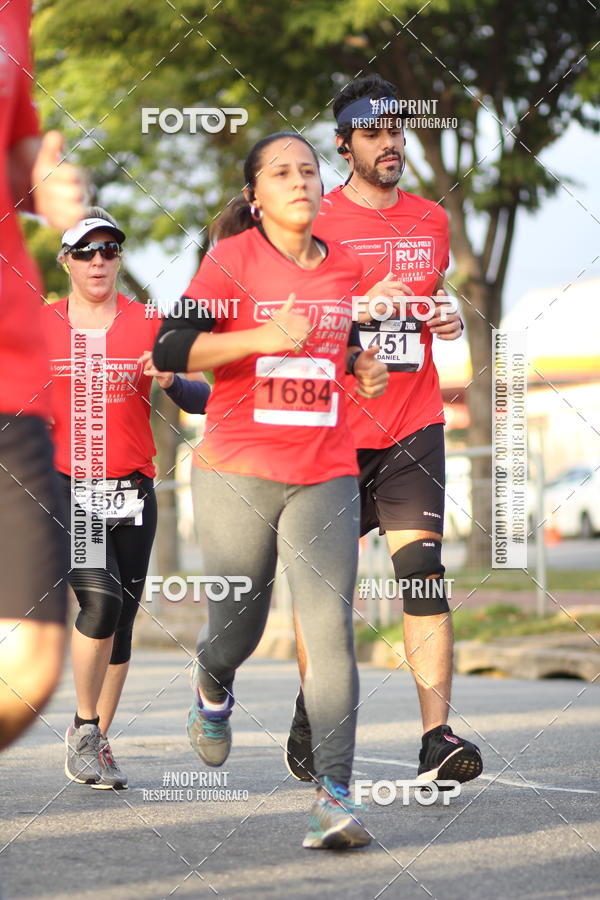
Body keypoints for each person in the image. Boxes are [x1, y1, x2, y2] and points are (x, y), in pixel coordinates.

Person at [153, 132, 389, 849]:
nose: (300, 181)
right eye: (282, 172)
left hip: (326, 470)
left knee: (329, 630)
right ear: (255, 195)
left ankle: (333, 795)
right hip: (237, 470)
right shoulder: (231, 260)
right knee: (239, 629)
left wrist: (362, 366)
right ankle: (212, 685)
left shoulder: (346, 266)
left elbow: (332, 345)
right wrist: (262, 336)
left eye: (310, 171)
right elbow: (170, 349)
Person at [285, 75, 483, 787]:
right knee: (326, 596)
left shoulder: (432, 219)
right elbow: (294, 324)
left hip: (412, 425)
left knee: (422, 579)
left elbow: (432, 297)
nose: (390, 141)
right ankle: (315, 706)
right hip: (332, 433)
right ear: (344, 145)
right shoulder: (316, 222)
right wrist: (360, 309)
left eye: (396, 129)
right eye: (373, 132)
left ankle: (438, 739)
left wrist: (447, 317)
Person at [42, 207, 210, 788]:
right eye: (86, 251)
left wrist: (171, 380)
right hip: (69, 486)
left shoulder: (149, 322)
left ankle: (94, 742)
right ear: (66, 261)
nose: (98, 261)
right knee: (102, 600)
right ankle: (85, 728)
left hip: (134, 489)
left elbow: (202, 396)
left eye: (109, 250)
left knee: (123, 623)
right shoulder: (43, 326)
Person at [0, 0, 86, 751]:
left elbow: (16, 149)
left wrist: (42, 179)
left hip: (9, 357)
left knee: (31, 659)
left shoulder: (13, 15)